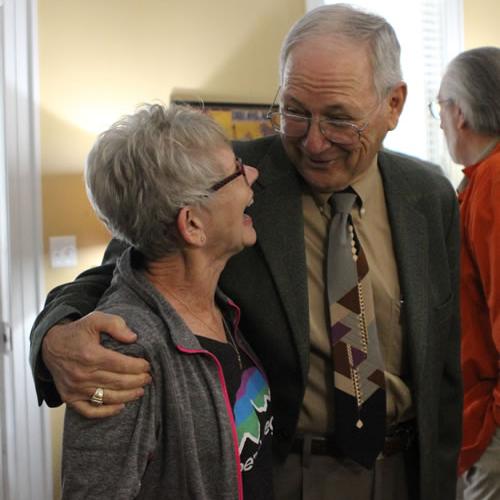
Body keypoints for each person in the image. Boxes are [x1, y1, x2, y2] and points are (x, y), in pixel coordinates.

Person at [30, 5, 461, 500]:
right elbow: (120, 270)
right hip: (280, 474)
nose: (314, 141)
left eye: (339, 119)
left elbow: (442, 365)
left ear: (393, 104)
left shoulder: (429, 196)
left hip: (406, 471)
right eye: (295, 111)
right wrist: (52, 337)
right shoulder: (228, 184)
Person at [57, 103, 273, 499]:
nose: (254, 176)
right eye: (237, 172)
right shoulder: (125, 349)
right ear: (192, 224)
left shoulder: (221, 309)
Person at [433, 46, 500, 500]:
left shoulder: (493, 182)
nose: (438, 122)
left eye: (439, 107)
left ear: (459, 113)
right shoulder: (481, 178)